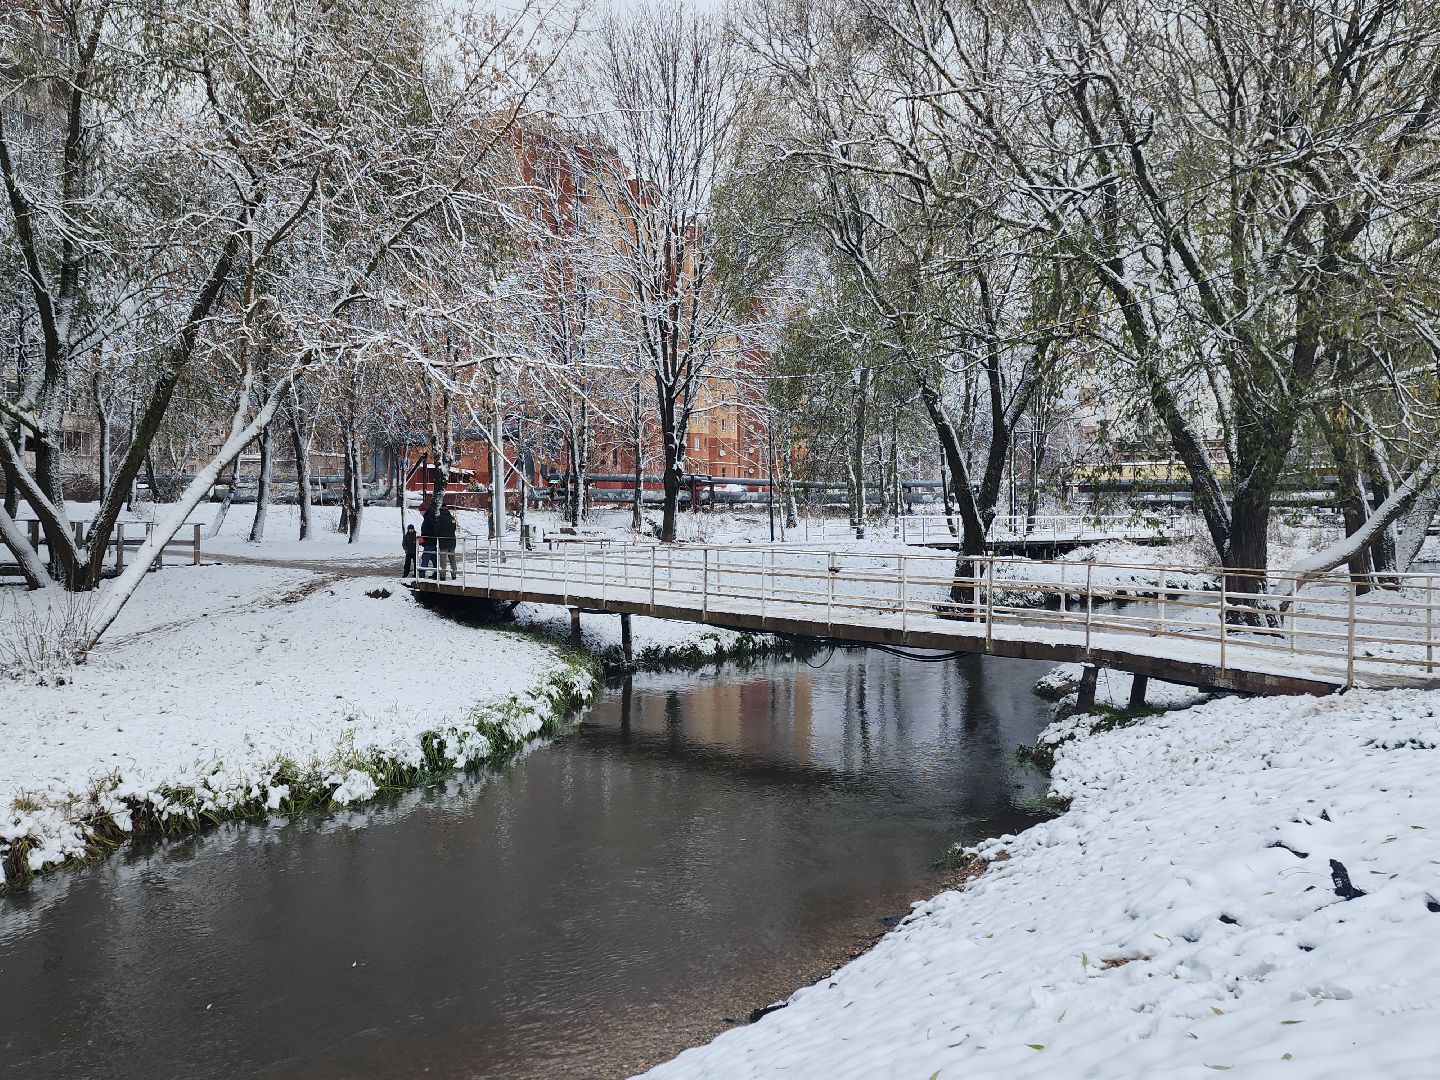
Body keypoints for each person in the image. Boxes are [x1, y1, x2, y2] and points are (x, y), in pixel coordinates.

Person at [437, 501, 459, 580]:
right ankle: (454, 575)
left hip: (443, 542)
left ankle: (443, 576)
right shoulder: (452, 517)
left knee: (443, 560)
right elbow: (454, 528)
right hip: (452, 541)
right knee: (452, 559)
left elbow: (437, 529)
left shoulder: (439, 518)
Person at [420, 503, 439, 578]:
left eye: (421, 511)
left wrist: (424, 535)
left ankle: (422, 573)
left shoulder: (429, 517)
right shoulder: (430, 515)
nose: (420, 513)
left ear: (424, 510)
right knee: (433, 557)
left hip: (429, 541)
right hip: (432, 540)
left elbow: (430, 529)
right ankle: (436, 572)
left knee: (425, 556)